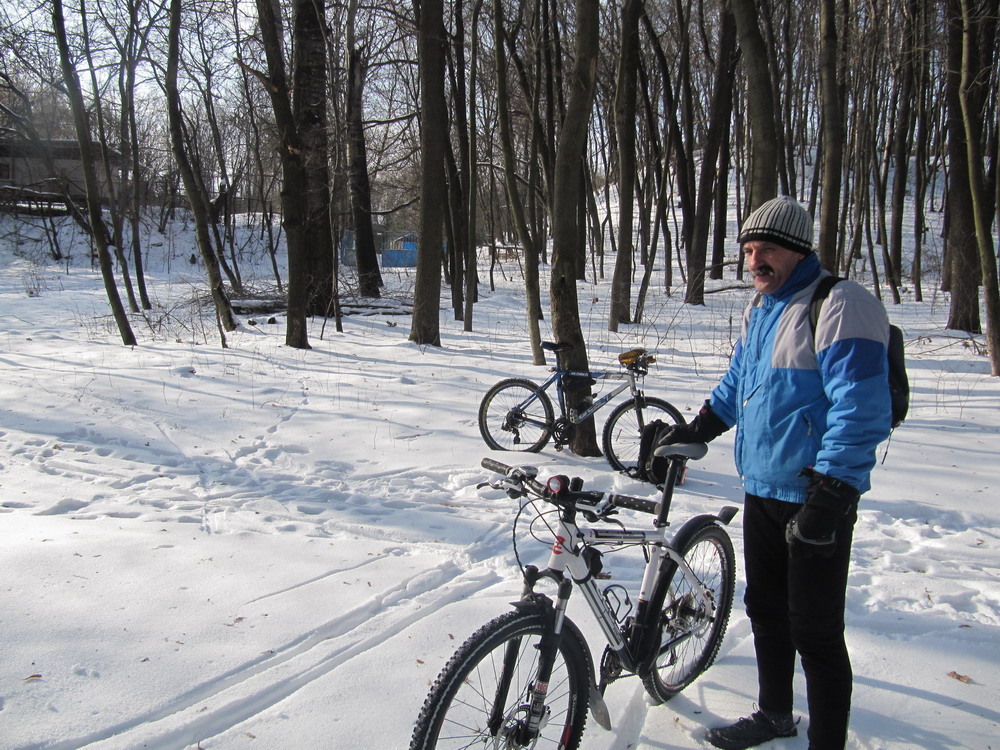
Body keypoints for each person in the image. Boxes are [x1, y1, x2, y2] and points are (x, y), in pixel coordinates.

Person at [660, 196, 892, 750]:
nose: (754, 260)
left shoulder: (839, 304)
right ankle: (774, 715)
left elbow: (862, 409)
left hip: (816, 495)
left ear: (797, 250)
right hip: (762, 487)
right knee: (766, 611)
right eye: (747, 250)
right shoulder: (762, 308)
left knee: (815, 629)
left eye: (765, 249)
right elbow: (738, 384)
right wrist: (697, 429)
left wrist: (832, 494)